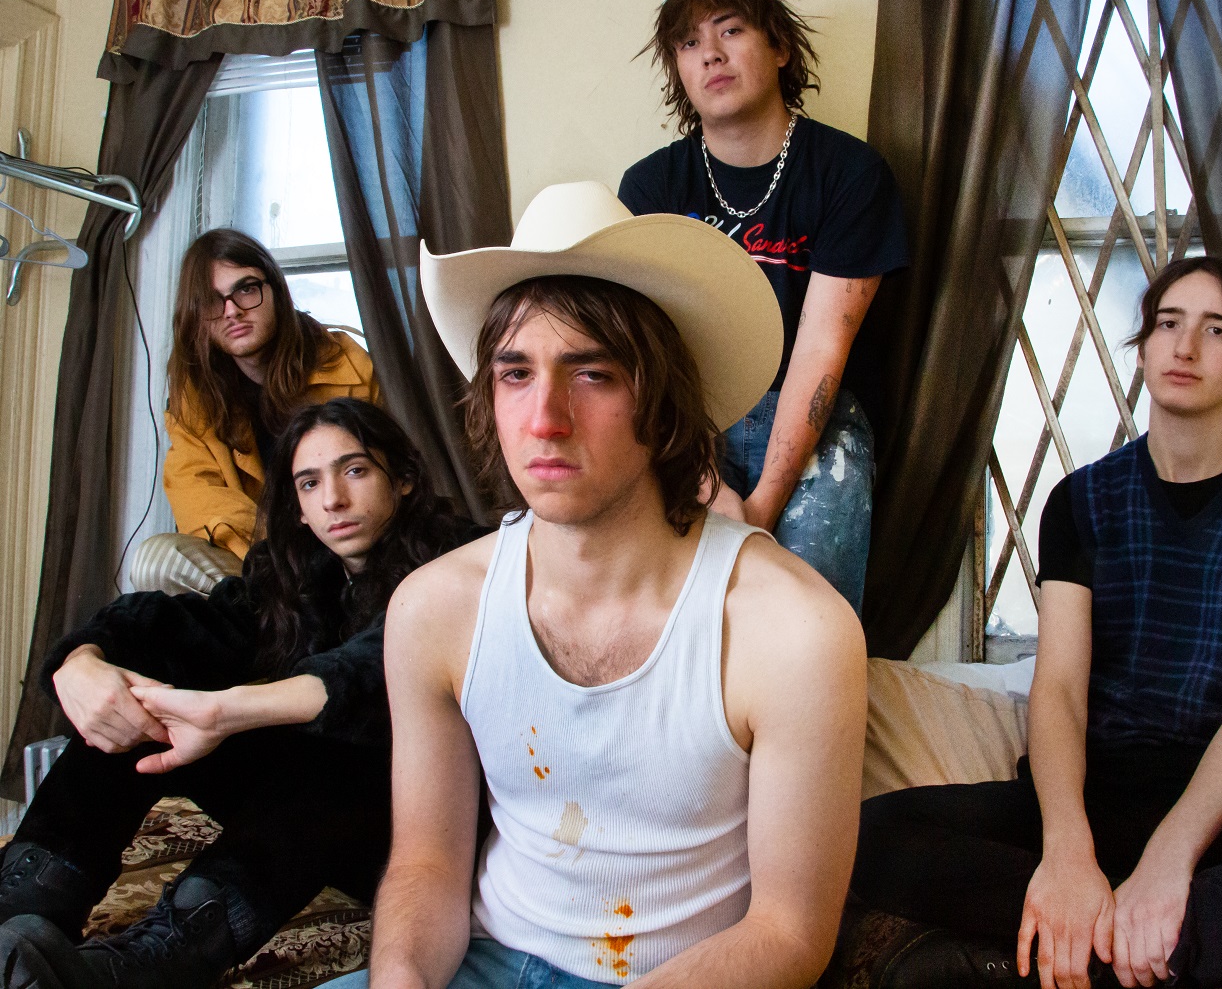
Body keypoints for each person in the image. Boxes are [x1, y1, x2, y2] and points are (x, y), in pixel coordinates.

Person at [850, 257, 1222, 989]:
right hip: (1100, 794)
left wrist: (1170, 861)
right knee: (866, 834)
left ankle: (1155, 937)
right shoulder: (1080, 502)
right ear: (1143, 349)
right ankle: (1165, 933)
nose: (1185, 346)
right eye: (1168, 325)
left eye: (1217, 330)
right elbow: (1061, 690)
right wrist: (1068, 854)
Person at [330, 181, 867, 989]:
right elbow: (427, 863)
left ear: (664, 403)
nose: (544, 417)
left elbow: (791, 933)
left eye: (593, 374)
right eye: (516, 373)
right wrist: (398, 978)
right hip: (488, 962)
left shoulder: (793, 630)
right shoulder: (435, 609)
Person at [0, 399, 482, 989]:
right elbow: (182, 623)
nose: (333, 499)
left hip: (416, 832)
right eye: (310, 483)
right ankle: (28, 906)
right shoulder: (300, 572)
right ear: (298, 507)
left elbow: (375, 671)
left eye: (355, 470)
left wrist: (224, 712)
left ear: (402, 478)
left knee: (337, 757)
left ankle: (169, 953)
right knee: (140, 693)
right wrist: (81, 661)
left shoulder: (463, 561)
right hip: (309, 818)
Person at [619, 0, 910, 613]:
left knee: (807, 616)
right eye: (690, 42)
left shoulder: (850, 174)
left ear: (779, 47)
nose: (711, 54)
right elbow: (650, 353)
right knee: (682, 615)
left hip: (815, 418)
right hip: (687, 417)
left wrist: (757, 512)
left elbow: (823, 345)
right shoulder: (650, 187)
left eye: (731, 30)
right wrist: (704, 479)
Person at [131, 228, 380, 596]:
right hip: (268, 561)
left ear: (275, 290)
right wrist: (278, 559)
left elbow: (384, 480)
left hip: (355, 550)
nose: (232, 311)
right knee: (155, 561)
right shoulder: (194, 397)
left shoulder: (348, 365)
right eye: (211, 301)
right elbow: (200, 496)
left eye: (246, 289)